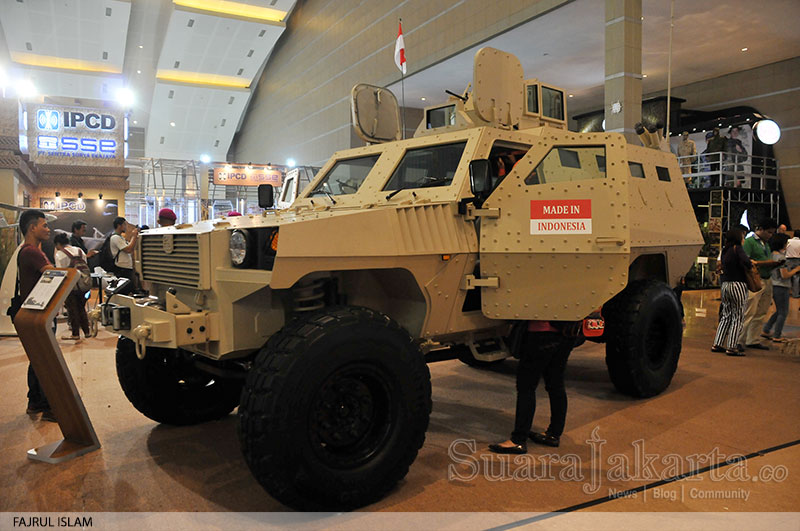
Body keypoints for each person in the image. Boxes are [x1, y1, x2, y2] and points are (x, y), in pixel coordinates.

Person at [489, 321, 579, 454]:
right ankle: (553, 434)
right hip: (567, 332)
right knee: (556, 385)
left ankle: (518, 440)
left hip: (540, 332)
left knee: (526, 387)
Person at [15, 210, 56, 422]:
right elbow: (54, 275)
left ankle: (35, 401)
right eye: (44, 225)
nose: (48, 229)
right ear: (32, 228)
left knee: (37, 359)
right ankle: (50, 407)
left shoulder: (27, 250)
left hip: (34, 313)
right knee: (46, 360)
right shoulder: (32, 252)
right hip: (41, 313)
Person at [738, 218, 781, 350]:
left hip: (767, 279)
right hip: (755, 280)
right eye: (769, 232)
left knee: (761, 312)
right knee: (749, 311)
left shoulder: (765, 244)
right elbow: (746, 261)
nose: (771, 235)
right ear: (760, 229)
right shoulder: (750, 242)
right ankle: (739, 340)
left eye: (773, 233)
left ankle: (753, 339)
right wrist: (765, 263)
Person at [712, 229, 751, 356]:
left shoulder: (725, 250)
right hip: (738, 284)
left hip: (725, 285)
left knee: (726, 315)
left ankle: (717, 343)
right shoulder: (738, 249)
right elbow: (747, 263)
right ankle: (732, 346)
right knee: (738, 316)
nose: (743, 239)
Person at [762, 234, 800, 342]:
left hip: (774, 284)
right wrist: (796, 269)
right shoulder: (781, 258)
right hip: (782, 286)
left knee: (779, 311)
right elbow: (785, 275)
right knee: (783, 312)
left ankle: (766, 329)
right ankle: (777, 335)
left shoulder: (772, 255)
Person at [54, 233, 91, 341]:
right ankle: (87, 332)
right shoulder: (79, 251)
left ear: (58, 244)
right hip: (83, 284)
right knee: (81, 307)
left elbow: (61, 272)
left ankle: (75, 334)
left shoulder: (60, 254)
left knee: (72, 309)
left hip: (70, 285)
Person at [110, 216, 138, 295]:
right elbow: (128, 249)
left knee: (129, 291)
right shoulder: (115, 238)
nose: (126, 227)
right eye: (125, 225)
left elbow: (131, 247)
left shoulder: (121, 237)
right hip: (122, 269)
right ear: (119, 226)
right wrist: (133, 236)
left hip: (126, 268)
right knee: (124, 292)